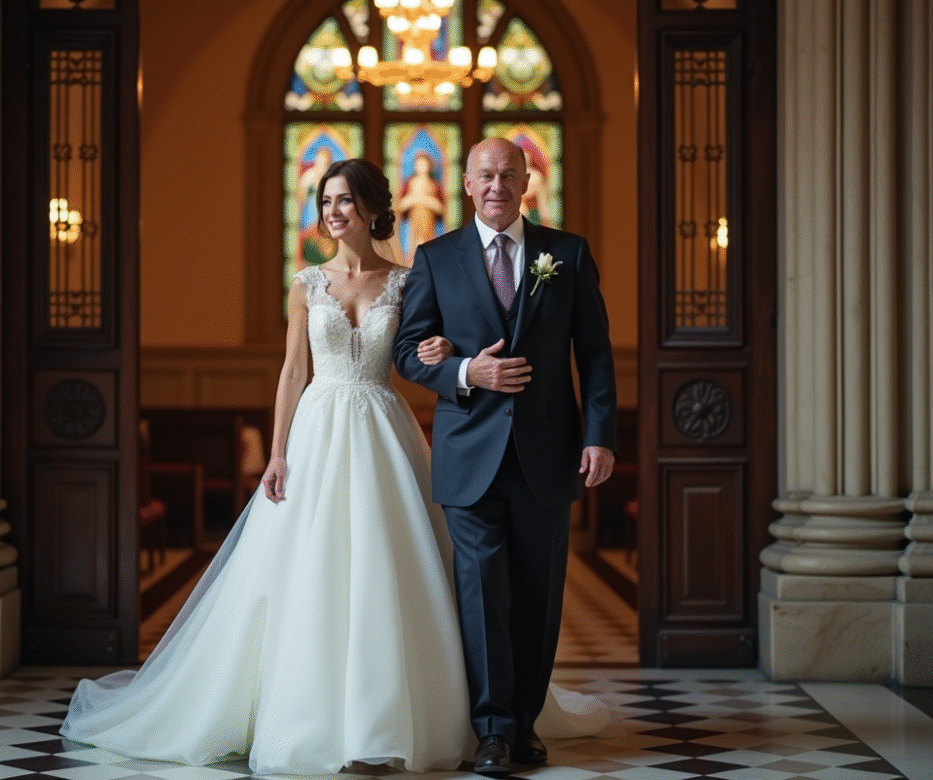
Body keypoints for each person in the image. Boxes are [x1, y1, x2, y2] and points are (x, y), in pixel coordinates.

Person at [60, 158, 473, 774]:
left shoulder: (410, 282)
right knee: (311, 568)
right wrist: (277, 452)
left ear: (372, 208)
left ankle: (389, 718)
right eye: (325, 201)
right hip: (318, 430)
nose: (333, 212)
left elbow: (421, 355)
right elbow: (292, 371)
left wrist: (445, 349)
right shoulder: (306, 283)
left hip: (386, 429)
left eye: (344, 201)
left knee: (388, 565)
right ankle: (304, 715)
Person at [393, 137, 617, 777]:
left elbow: (595, 354)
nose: (497, 185)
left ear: (525, 182)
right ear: (466, 184)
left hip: (548, 451)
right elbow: (408, 352)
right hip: (468, 451)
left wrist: (599, 435)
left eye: (508, 174)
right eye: (485, 175)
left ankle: (525, 722)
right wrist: (466, 372)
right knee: (481, 588)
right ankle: (492, 731)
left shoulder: (565, 254)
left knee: (537, 595)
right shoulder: (435, 257)